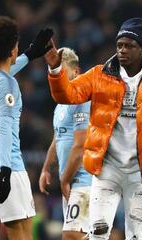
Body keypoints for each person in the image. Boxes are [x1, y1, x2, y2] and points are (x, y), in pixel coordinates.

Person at [44, 17, 142, 239]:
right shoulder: (100, 74)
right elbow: (67, 95)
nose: (122, 50)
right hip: (106, 169)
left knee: (137, 236)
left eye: (129, 45)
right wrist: (55, 69)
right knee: (97, 234)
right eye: (119, 45)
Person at [0, 16, 53, 240]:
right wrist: (5, 172)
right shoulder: (8, 85)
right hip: (5, 167)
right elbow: (4, 130)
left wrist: (30, 54)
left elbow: (2, 75)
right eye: (16, 45)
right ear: (10, 51)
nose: (18, 48)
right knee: (22, 236)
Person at [39, 47, 91, 240]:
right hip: (68, 181)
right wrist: (46, 168)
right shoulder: (60, 104)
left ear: (76, 71)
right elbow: (57, 139)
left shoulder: (83, 98)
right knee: (84, 235)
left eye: (63, 72)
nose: (57, 77)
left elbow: (80, 145)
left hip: (83, 179)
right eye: (54, 72)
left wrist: (65, 179)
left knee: (71, 235)